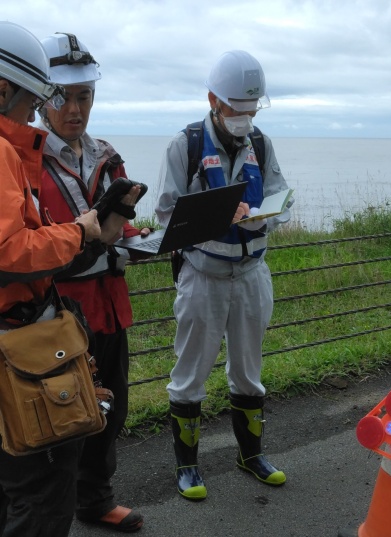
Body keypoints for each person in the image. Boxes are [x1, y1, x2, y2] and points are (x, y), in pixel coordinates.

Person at [156, 50, 293, 500]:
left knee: (249, 372)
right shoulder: (186, 145)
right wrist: (219, 215)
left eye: (253, 108)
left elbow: (279, 194)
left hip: (253, 272)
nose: (245, 117)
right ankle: (188, 467)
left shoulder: (262, 143)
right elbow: (164, 214)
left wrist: (263, 218)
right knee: (190, 373)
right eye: (237, 108)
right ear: (214, 99)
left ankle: (250, 454)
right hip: (203, 275)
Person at [36, 32, 147, 532]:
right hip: (56, 316)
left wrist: (138, 236)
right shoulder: (24, 161)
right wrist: (96, 240)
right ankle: (47, 513)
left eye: (85, 95)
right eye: (62, 96)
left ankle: (95, 499)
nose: (74, 108)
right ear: (41, 97)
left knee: (112, 408)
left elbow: (118, 227)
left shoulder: (107, 155)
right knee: (61, 419)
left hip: (109, 304)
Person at [0, 21, 102, 537]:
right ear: (3, 88)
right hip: (16, 341)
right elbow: (8, 253)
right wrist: (78, 233)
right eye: (33, 99)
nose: (33, 113)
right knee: (41, 489)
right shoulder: (0, 151)